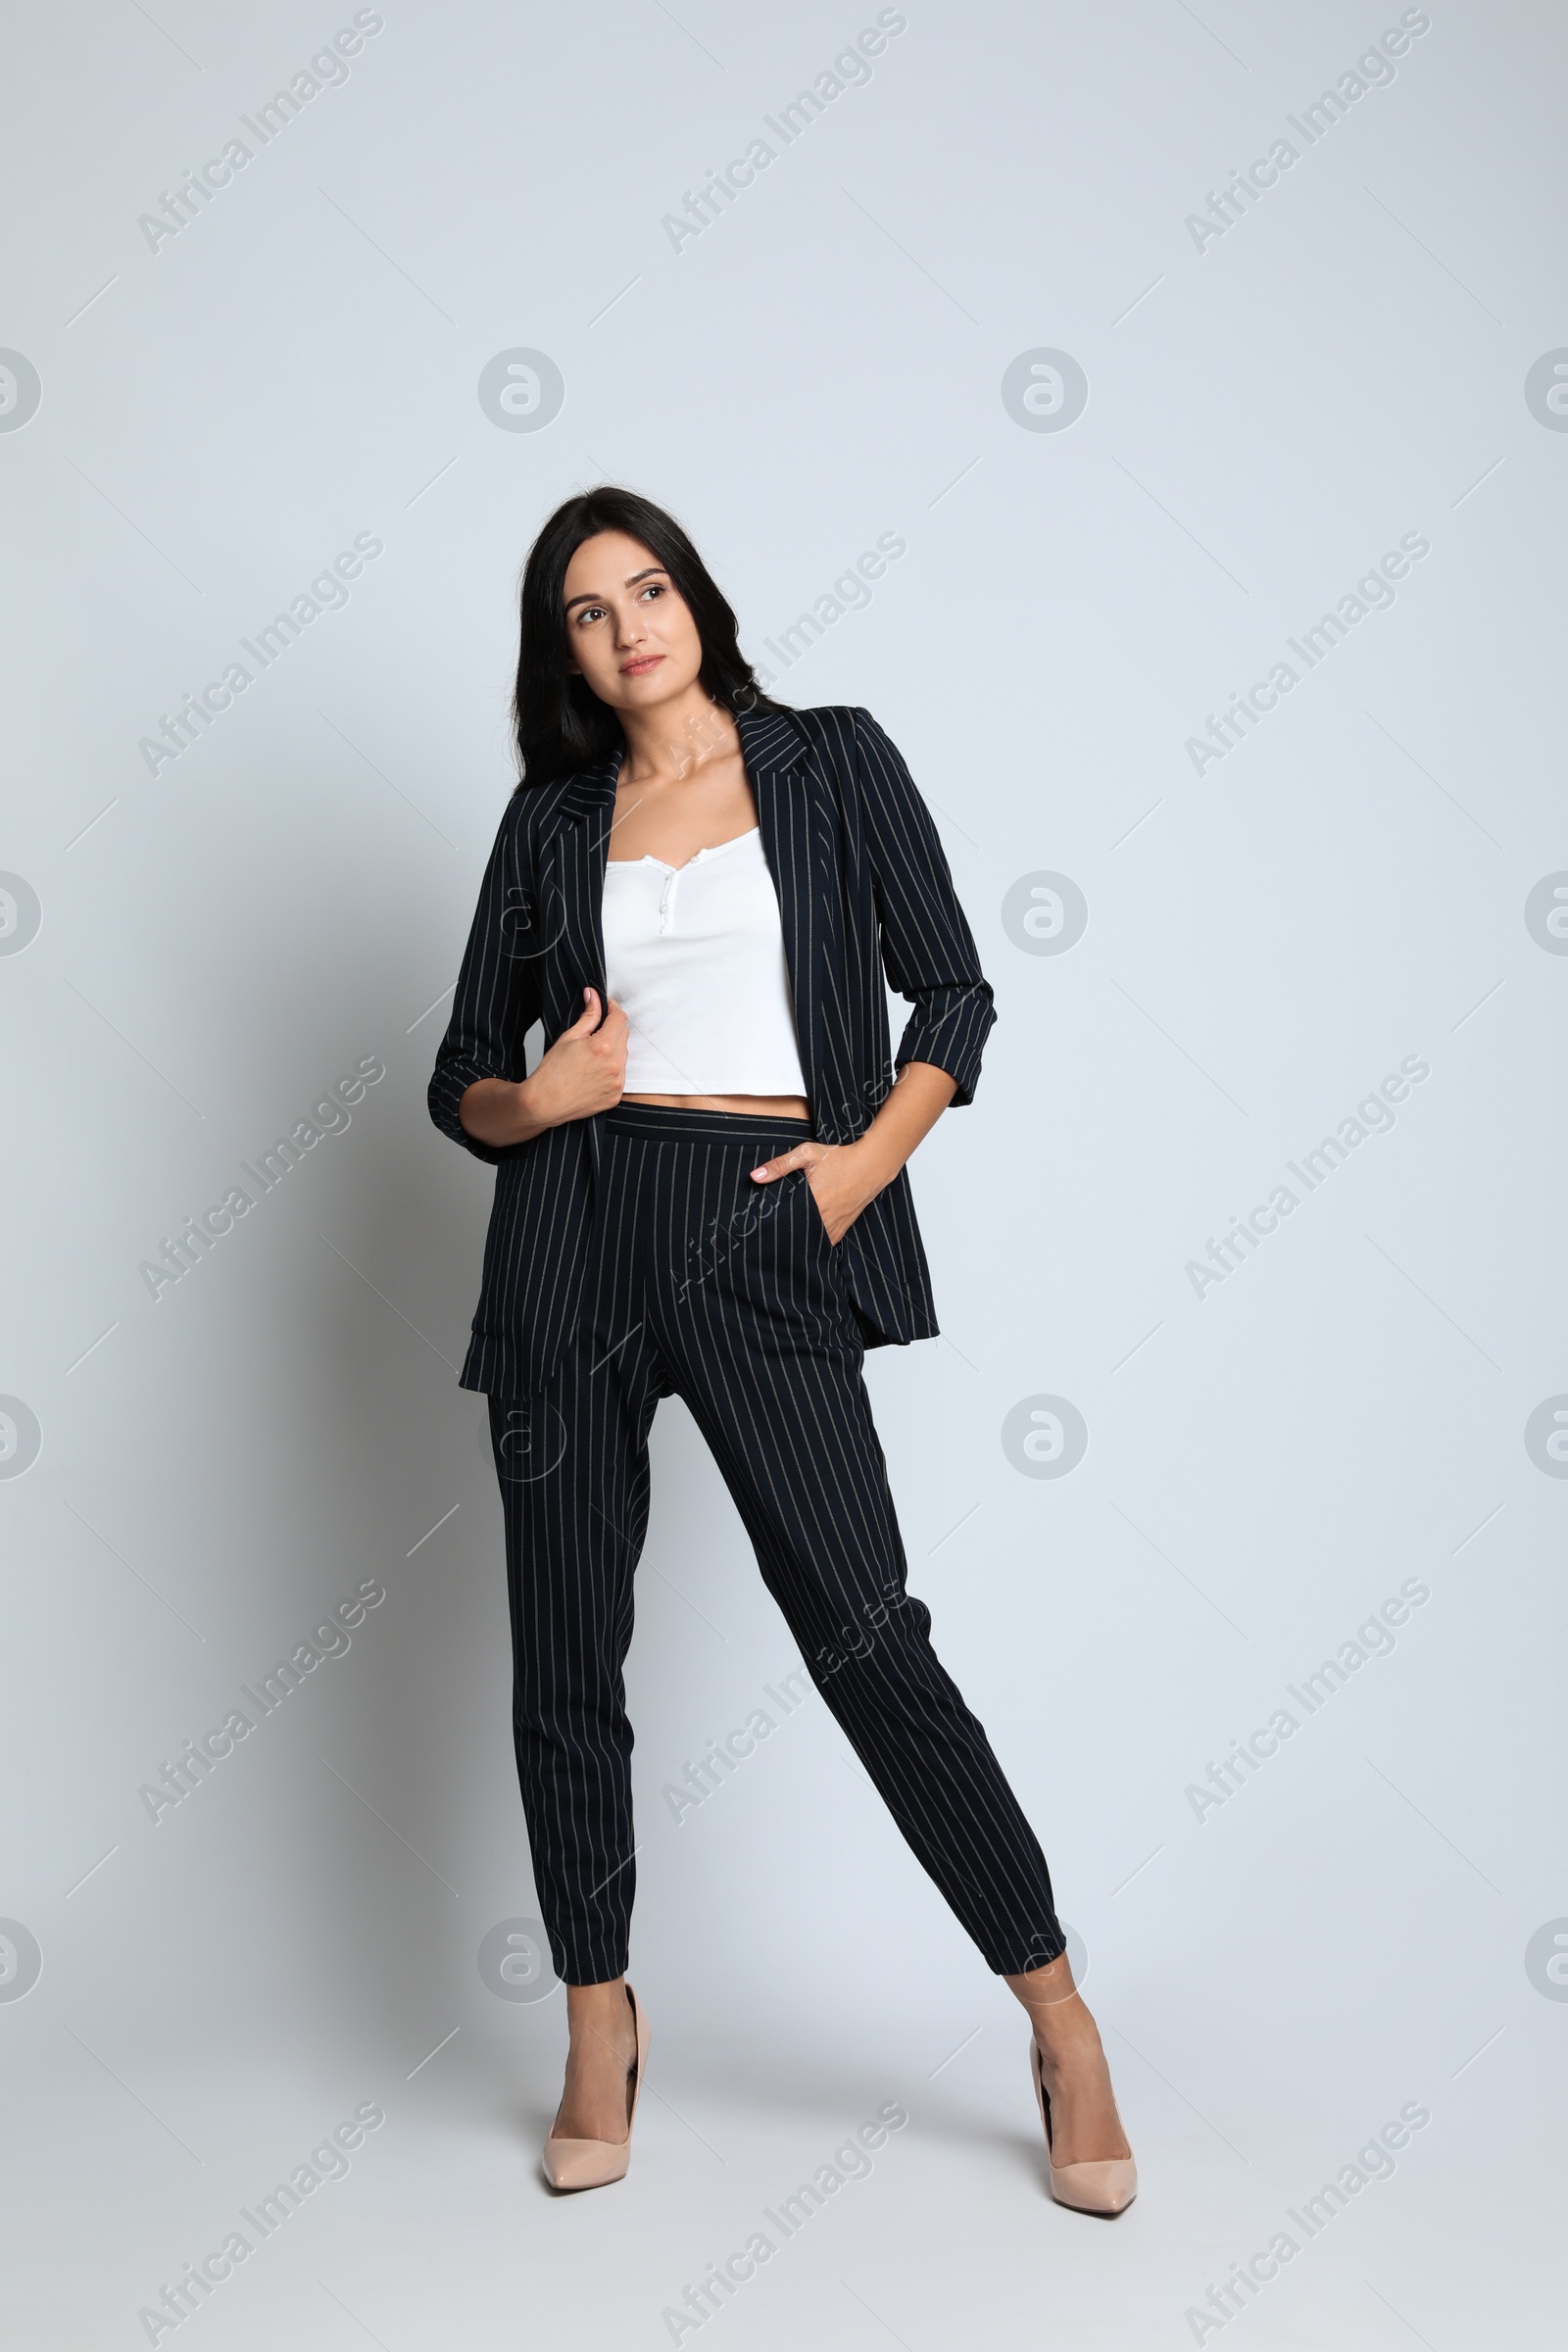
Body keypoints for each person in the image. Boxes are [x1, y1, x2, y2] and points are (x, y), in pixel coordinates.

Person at [427, 486, 1135, 2211]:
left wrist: (852, 1178)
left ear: (696, 597)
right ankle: (599, 2021)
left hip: (765, 1218)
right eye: (589, 612)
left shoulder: (831, 759)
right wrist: (549, 1096)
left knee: (866, 1635)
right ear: (566, 655)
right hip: (576, 1229)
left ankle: (1058, 2014)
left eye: (647, 588)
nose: (628, 627)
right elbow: (459, 1076)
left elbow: (952, 996)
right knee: (564, 1657)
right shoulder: (551, 821)